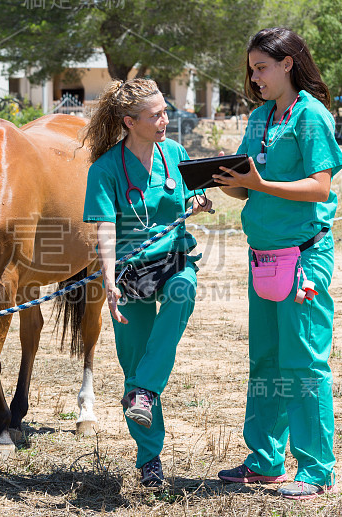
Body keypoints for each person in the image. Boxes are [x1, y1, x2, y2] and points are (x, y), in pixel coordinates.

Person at [214, 27, 342, 500]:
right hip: (263, 258)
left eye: (262, 67)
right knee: (266, 361)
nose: (254, 77)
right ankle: (265, 460)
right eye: (251, 69)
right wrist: (224, 181)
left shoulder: (312, 116)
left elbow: (319, 187)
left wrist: (262, 184)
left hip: (304, 258)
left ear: (288, 63)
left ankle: (316, 468)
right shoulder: (258, 118)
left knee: (304, 362)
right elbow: (249, 184)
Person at [81, 78, 213, 487]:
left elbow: (192, 194)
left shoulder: (174, 153)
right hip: (129, 273)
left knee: (184, 289)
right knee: (134, 360)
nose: (164, 120)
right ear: (129, 121)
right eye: (155, 115)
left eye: (164, 111)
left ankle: (144, 391)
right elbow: (104, 226)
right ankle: (149, 458)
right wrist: (108, 277)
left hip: (174, 261)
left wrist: (197, 202)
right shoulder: (105, 170)